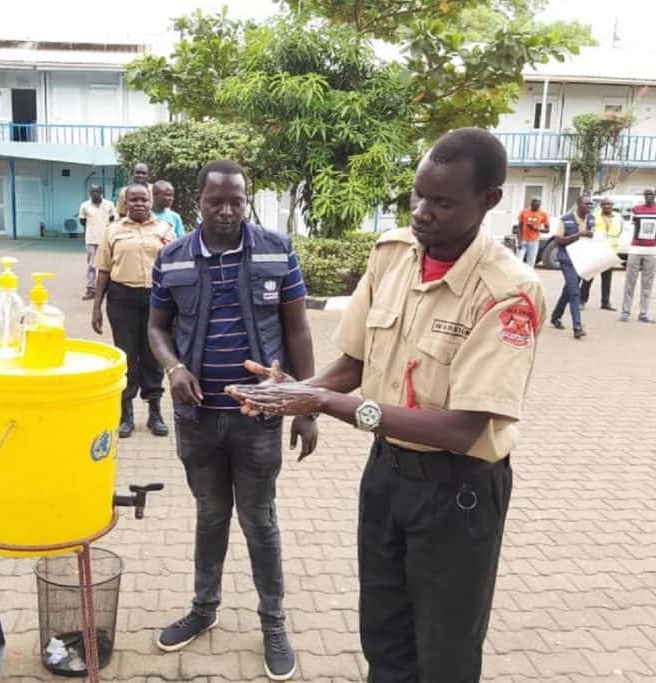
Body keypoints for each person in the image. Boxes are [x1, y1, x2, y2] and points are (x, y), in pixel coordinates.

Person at [225, 129, 546, 682]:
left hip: (458, 492)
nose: (422, 213)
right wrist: (295, 392)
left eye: (442, 203)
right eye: (417, 195)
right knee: (384, 635)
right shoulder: (393, 254)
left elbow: (463, 429)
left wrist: (324, 401)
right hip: (387, 479)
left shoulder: (507, 293)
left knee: (444, 651)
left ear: (489, 200)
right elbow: (353, 362)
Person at [148, 160, 316, 681]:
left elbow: (299, 328)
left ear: (247, 200)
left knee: (259, 521)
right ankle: (204, 609)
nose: (226, 210)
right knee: (210, 516)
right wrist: (173, 368)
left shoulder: (275, 249)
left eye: (235, 201)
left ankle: (273, 622)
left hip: (257, 421)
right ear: (196, 201)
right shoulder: (171, 258)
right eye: (215, 200)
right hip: (198, 421)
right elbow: (157, 327)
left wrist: (306, 404)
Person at [93, 182, 175, 438]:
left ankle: (155, 413)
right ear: (125, 203)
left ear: (151, 202)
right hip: (122, 298)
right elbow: (104, 270)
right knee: (127, 356)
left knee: (153, 356)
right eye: (133, 200)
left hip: (157, 300)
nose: (139, 204)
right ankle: (125, 413)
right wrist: (96, 308)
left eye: (143, 200)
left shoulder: (166, 229)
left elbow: (175, 268)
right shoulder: (113, 230)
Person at [550, 194, 595, 339]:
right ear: (578, 204)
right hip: (567, 259)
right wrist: (578, 234)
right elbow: (558, 241)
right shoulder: (565, 220)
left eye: (591, 204)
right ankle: (577, 327)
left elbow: (594, 237)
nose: (589, 207)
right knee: (575, 292)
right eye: (586, 204)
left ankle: (556, 316)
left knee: (569, 290)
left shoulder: (592, 219)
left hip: (582, 260)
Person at [620, 189, 656, 324]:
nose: (649, 196)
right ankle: (625, 312)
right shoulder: (636, 209)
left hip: (652, 250)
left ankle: (643, 313)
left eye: (651, 194)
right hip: (635, 249)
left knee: (647, 283)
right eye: (646, 194)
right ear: (644, 196)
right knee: (630, 282)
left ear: (655, 196)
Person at [580, 197, 622, 311]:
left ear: (613, 205)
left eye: (609, 204)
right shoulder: (593, 216)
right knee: (589, 277)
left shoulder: (618, 217)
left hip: (610, 250)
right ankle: (582, 300)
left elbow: (620, 231)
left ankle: (605, 302)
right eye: (604, 204)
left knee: (607, 279)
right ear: (601, 206)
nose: (607, 206)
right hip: (596, 250)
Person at [78, 184, 116, 300]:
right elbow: (82, 221)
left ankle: (108, 288)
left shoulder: (109, 205)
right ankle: (91, 289)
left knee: (108, 265)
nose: (95, 194)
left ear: (101, 192)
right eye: (92, 192)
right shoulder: (85, 206)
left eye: (97, 192)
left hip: (106, 239)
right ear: (90, 193)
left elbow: (113, 219)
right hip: (91, 240)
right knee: (92, 265)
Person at [516, 197, 549, 266]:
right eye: (534, 202)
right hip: (523, 239)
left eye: (538, 203)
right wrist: (519, 241)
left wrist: (536, 228)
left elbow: (547, 230)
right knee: (518, 260)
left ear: (540, 204)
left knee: (531, 261)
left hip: (534, 241)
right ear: (530, 203)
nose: (536, 204)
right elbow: (519, 227)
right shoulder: (524, 212)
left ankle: (528, 275)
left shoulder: (543, 214)